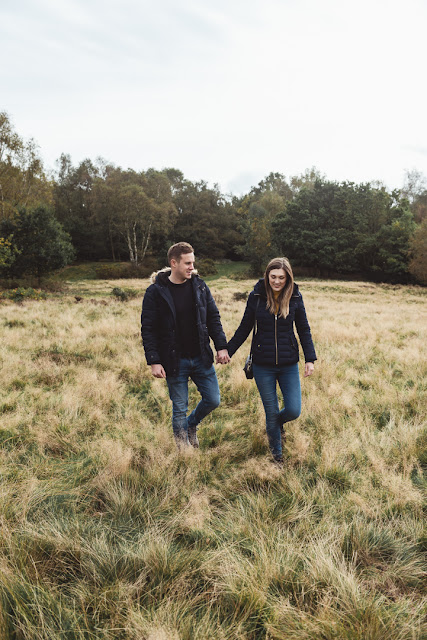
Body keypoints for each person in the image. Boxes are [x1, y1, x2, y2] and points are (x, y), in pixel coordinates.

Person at [226, 257, 316, 466]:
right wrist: (227, 351)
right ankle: (277, 454)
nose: (277, 281)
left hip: (288, 364)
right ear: (267, 276)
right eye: (273, 276)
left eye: (281, 278)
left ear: (288, 278)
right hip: (262, 365)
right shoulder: (256, 296)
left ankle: (277, 425)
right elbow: (244, 328)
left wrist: (309, 359)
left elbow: (304, 329)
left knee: (294, 410)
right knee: (271, 410)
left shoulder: (295, 297)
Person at [141, 242, 230, 449]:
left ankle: (191, 425)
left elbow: (213, 318)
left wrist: (221, 346)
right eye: (187, 263)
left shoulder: (199, 286)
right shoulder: (155, 292)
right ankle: (183, 451)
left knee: (213, 399)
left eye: (193, 262)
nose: (192, 267)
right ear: (174, 263)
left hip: (201, 356)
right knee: (179, 408)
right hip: (174, 360)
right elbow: (148, 329)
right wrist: (154, 360)